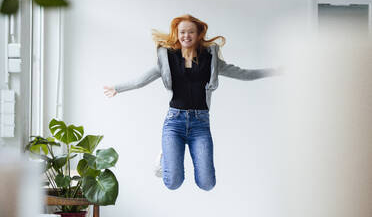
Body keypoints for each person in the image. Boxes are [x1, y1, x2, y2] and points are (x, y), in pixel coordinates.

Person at [104, 14, 281, 191]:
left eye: (190, 32)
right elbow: (140, 81)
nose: (186, 36)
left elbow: (244, 74)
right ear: (177, 34)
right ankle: (165, 156)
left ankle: (170, 154)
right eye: (182, 32)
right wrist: (117, 88)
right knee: (173, 182)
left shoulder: (210, 60)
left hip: (200, 125)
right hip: (174, 123)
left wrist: (274, 71)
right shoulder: (168, 59)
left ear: (198, 34)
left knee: (207, 183)